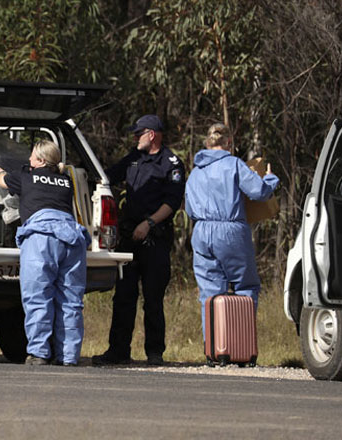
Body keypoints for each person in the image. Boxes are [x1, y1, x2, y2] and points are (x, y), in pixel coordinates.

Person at [92, 114, 185, 366]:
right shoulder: (133, 158)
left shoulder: (171, 163)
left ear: (151, 134)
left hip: (155, 238)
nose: (134, 138)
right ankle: (118, 351)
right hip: (129, 238)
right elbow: (107, 176)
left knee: (153, 299)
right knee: (123, 297)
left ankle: (155, 353)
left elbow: (172, 202)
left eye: (138, 133)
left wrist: (149, 223)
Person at [0, 140, 90, 366]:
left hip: (41, 238)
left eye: (33, 157)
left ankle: (39, 353)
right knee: (70, 301)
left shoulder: (25, 177)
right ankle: (68, 356)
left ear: (42, 160)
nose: (29, 160)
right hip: (71, 238)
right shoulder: (66, 181)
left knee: (38, 296)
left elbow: (2, 181)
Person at [185, 123, 278, 338]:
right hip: (230, 229)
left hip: (201, 231)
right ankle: (241, 345)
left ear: (208, 143)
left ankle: (214, 349)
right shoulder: (234, 164)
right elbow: (259, 192)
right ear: (228, 142)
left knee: (209, 292)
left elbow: (189, 209)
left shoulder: (195, 172)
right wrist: (271, 179)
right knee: (245, 285)